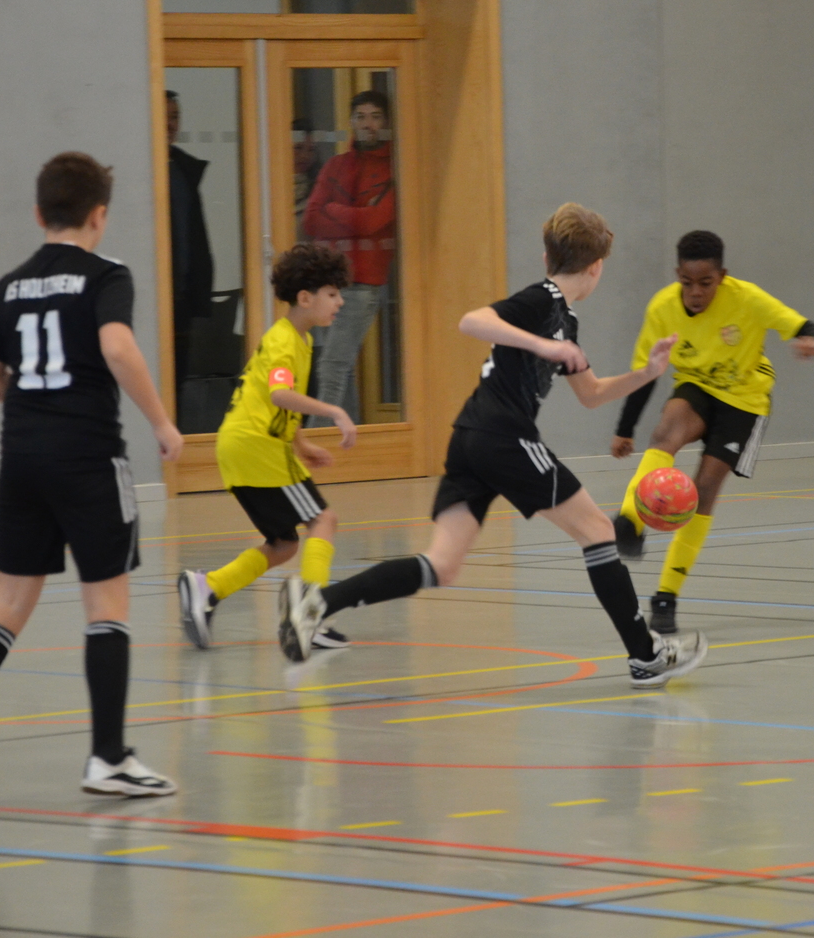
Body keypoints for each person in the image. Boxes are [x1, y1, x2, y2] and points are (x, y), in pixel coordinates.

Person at [278, 204, 708, 690]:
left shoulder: (564, 320)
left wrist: (646, 373)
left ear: (546, 254)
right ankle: (646, 654)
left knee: (442, 564)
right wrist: (542, 346)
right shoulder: (542, 300)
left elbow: (591, 394)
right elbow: (472, 321)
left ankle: (316, 603)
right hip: (503, 435)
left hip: (472, 438)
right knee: (598, 531)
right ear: (596, 267)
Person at [0, 153, 185, 798]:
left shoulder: (10, 284)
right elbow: (117, 347)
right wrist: (163, 423)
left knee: (6, 603)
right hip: (88, 459)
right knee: (106, 605)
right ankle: (108, 759)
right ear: (100, 216)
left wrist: (37, 397)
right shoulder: (106, 275)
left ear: (39, 213)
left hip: (22, 461)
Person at [612, 231, 814, 634]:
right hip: (696, 387)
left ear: (722, 276)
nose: (696, 293)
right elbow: (645, 373)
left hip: (744, 401)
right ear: (677, 275)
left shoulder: (748, 299)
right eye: (687, 283)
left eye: (706, 283)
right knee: (665, 433)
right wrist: (624, 429)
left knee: (705, 488)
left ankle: (666, 596)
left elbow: (801, 324)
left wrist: (813, 340)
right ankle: (630, 523)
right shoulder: (662, 308)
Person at [176, 243, 358, 650]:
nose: (340, 302)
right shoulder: (284, 341)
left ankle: (208, 587)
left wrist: (301, 441)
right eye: (332, 294)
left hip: (241, 447)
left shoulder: (298, 340)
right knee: (323, 521)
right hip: (258, 447)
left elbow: (269, 401)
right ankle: (309, 615)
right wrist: (334, 411)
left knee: (284, 544)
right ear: (305, 298)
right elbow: (279, 394)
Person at [302, 89, 396, 425]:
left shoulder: (395, 168)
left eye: (375, 117)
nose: (368, 124)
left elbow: (374, 222)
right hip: (328, 282)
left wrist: (334, 210)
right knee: (340, 366)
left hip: (364, 283)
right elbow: (311, 219)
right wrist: (354, 215)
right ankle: (347, 442)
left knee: (332, 366)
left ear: (386, 122)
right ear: (352, 122)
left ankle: (319, 439)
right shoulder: (336, 165)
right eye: (361, 117)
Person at [166, 91, 215, 395]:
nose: (170, 124)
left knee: (178, 383)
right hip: (154, 296)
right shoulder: (143, 170)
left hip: (182, 298)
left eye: (175, 116)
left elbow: (194, 236)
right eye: (163, 116)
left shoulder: (183, 170)